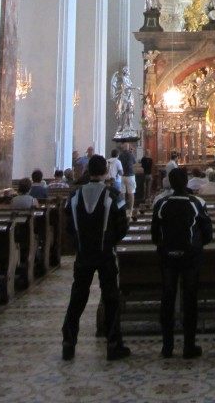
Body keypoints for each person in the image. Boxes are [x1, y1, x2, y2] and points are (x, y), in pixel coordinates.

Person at [61, 153, 130, 361]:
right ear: (106, 171)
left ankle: (68, 342)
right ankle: (113, 343)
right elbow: (122, 226)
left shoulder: (73, 196)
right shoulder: (113, 195)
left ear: (88, 171)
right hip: (105, 253)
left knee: (77, 297)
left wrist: (79, 242)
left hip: (83, 254)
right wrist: (110, 242)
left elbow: (69, 225)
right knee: (110, 297)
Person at [151, 166, 213, 359]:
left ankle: (167, 346)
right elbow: (207, 232)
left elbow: (155, 234)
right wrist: (197, 245)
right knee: (190, 297)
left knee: (167, 297)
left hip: (168, 256)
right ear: (186, 183)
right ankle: (188, 345)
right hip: (190, 257)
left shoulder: (161, 204)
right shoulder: (195, 203)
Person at [118, 143, 137, 213]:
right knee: (131, 192)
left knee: (122, 193)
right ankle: (131, 208)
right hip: (130, 175)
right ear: (128, 148)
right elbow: (134, 162)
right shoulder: (130, 154)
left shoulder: (121, 155)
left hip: (122, 176)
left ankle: (123, 208)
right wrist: (132, 152)